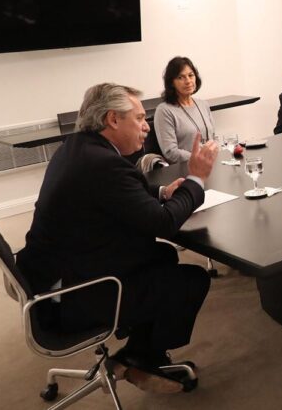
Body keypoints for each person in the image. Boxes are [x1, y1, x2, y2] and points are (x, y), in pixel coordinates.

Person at [16, 83, 219, 393]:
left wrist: (162, 192)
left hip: (54, 278)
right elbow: (163, 224)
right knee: (191, 279)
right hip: (72, 294)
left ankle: (138, 355)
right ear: (112, 119)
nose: (145, 126)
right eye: (138, 118)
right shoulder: (103, 163)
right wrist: (197, 179)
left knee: (162, 257)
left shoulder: (78, 149)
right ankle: (139, 358)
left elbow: (116, 194)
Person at [155, 56, 215, 164]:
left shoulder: (203, 104)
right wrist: (199, 157)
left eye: (191, 75)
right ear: (171, 82)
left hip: (210, 164)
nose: (188, 81)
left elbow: (214, 138)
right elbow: (170, 152)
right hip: (185, 169)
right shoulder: (164, 110)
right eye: (180, 77)